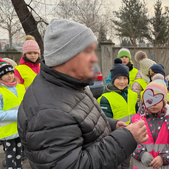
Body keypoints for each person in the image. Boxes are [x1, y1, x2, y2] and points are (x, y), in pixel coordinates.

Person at [17, 19, 148, 169]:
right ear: (65, 57)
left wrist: (111, 125)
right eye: (87, 51)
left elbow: (82, 120)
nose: (94, 58)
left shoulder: (72, 84)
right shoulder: (47, 113)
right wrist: (126, 138)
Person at [131, 74, 169, 169]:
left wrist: (163, 158)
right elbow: (129, 141)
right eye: (150, 100)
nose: (154, 104)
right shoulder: (136, 120)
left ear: (164, 101)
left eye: (158, 100)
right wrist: (141, 154)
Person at [0, 60, 26, 169]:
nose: (10, 76)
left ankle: (19, 167)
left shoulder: (20, 87)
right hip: (8, 130)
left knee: (20, 152)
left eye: (11, 73)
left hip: (20, 128)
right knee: (10, 153)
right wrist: (19, 114)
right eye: (6, 74)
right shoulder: (1, 92)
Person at [98, 58, 138, 125]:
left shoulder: (133, 95)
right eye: (119, 78)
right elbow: (105, 123)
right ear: (113, 80)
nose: (122, 82)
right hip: (117, 134)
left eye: (125, 78)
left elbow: (137, 116)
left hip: (133, 133)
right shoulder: (105, 99)